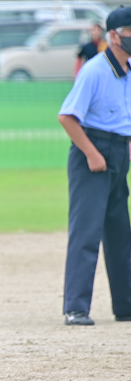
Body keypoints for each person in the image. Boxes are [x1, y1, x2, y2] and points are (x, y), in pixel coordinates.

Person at [58, 6, 131, 326]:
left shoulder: (129, 70)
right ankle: (76, 307)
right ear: (113, 35)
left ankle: (125, 304)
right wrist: (91, 153)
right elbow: (68, 117)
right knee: (86, 232)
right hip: (92, 152)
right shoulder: (94, 70)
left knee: (120, 232)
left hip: (118, 152)